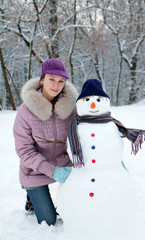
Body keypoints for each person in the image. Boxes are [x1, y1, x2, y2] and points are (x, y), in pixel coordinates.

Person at [13, 58, 78, 226]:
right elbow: (24, 150)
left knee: (78, 206)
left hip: (64, 163)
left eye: (61, 81)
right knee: (49, 220)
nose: (56, 85)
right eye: (51, 79)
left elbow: (88, 127)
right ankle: (32, 198)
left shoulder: (71, 107)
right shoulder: (25, 111)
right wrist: (51, 170)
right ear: (42, 79)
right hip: (34, 170)